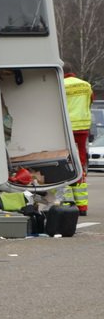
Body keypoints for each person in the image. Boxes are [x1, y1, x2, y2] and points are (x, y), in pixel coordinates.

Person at [63, 63, 93, 216]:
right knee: (80, 163)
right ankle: (82, 207)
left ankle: (68, 203)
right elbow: (90, 102)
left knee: (65, 164)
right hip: (82, 128)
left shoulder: (60, 85)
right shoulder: (86, 85)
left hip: (66, 129)